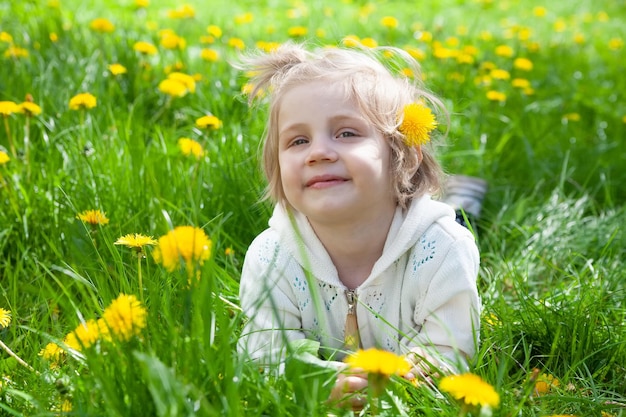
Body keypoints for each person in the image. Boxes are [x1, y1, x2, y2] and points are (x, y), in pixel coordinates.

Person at [236, 42, 481, 409]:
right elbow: (264, 355)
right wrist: (318, 383)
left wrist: (400, 383)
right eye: (298, 140)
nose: (318, 152)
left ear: (406, 158)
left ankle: (465, 198)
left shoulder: (443, 249)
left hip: (427, 228)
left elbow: (449, 348)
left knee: (458, 219)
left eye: (346, 133)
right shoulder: (272, 256)